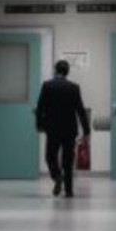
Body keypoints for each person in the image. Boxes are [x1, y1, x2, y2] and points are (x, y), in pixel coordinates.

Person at [36, 60, 91, 198]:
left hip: (52, 129)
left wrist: (40, 125)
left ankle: (57, 177)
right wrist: (86, 131)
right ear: (67, 72)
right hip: (69, 129)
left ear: (55, 70)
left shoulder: (47, 86)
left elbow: (40, 108)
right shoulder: (74, 88)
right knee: (68, 160)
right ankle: (69, 190)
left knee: (50, 156)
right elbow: (80, 110)